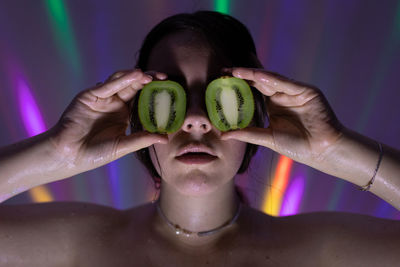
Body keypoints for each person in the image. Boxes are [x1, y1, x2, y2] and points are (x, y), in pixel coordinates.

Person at [0, 10, 400, 266]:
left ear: (256, 112)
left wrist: (338, 149)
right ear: (137, 116)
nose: (195, 119)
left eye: (221, 96)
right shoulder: (74, 247)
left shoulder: (322, 253)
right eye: (168, 97)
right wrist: (56, 152)